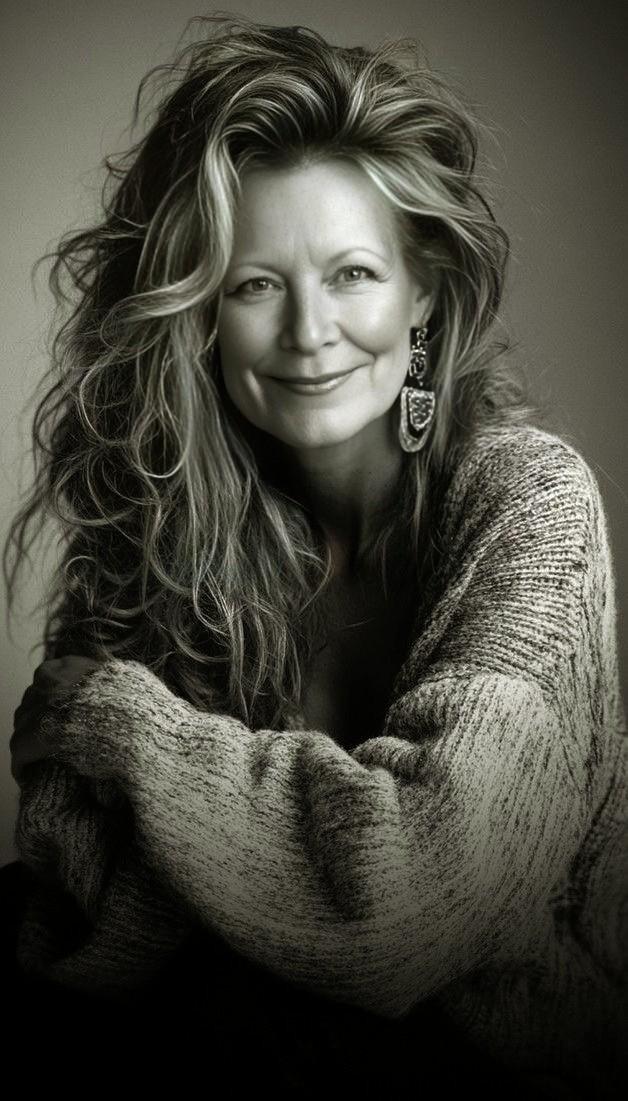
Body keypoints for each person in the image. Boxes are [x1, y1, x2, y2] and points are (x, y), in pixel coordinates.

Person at [3, 13, 626, 1099]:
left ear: (422, 291)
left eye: (352, 274)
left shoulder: (530, 502)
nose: (308, 330)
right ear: (200, 314)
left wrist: (129, 735)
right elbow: (86, 935)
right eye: (254, 284)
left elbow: (415, 904)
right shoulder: (165, 535)